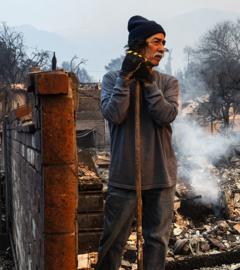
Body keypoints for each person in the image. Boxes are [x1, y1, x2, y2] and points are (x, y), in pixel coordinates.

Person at [96, 15, 179, 270]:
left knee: (156, 240)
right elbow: (114, 115)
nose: (162, 48)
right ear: (139, 44)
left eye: (164, 42)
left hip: (161, 173)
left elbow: (166, 115)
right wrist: (126, 78)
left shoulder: (168, 82)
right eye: (156, 42)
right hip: (125, 174)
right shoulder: (112, 79)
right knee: (113, 240)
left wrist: (149, 83)